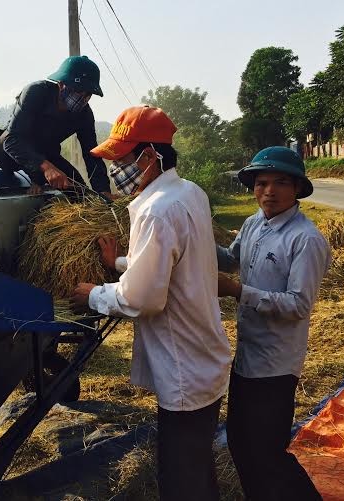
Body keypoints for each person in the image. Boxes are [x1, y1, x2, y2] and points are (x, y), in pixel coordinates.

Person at [70, 105, 231, 501]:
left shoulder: (157, 211)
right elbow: (174, 261)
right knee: (197, 466)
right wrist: (121, 262)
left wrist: (91, 293)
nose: (116, 168)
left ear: (149, 156)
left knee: (181, 480)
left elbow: (142, 298)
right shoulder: (190, 193)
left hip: (184, 368)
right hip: (204, 358)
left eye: (121, 159)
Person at [216, 146, 331, 500]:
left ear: (297, 188)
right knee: (239, 441)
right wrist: (193, 235)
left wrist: (238, 291)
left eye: (280, 182)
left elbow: (298, 305)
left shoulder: (305, 239)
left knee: (267, 453)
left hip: (277, 363)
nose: (269, 190)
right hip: (248, 354)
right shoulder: (254, 223)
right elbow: (231, 259)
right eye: (261, 182)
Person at [0, 55, 111, 196]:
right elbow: (12, 141)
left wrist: (103, 190)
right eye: (77, 90)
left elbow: (91, 155)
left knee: (80, 192)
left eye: (87, 94)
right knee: (8, 142)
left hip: (47, 152)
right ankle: (37, 178)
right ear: (60, 85)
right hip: (11, 151)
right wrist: (46, 168)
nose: (82, 97)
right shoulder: (36, 93)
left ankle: (41, 179)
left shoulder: (84, 115)